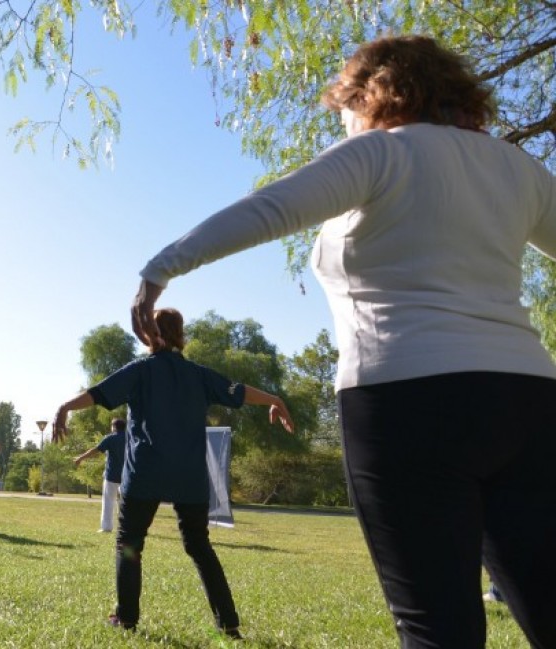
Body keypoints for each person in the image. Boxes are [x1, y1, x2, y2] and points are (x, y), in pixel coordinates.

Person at [130, 35, 556, 648]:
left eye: (347, 110)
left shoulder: (380, 155)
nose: (346, 123)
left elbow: (268, 208)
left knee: (439, 630)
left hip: (410, 404)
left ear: (373, 96)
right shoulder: (519, 169)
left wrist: (160, 268)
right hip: (529, 404)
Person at [53, 307, 293, 637]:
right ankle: (229, 623)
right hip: (190, 478)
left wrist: (64, 408)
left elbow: (97, 394)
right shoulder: (199, 374)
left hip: (146, 475)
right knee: (199, 546)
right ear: (180, 334)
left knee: (129, 543)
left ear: (150, 333)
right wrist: (274, 399)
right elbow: (238, 391)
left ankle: (126, 619)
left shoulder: (140, 370)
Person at [72, 418, 129, 533]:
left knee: (108, 501)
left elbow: (95, 450)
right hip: (127, 476)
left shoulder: (110, 438)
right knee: (125, 503)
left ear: (114, 427)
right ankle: (126, 528)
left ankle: (106, 527)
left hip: (111, 475)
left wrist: (80, 458)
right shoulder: (131, 438)